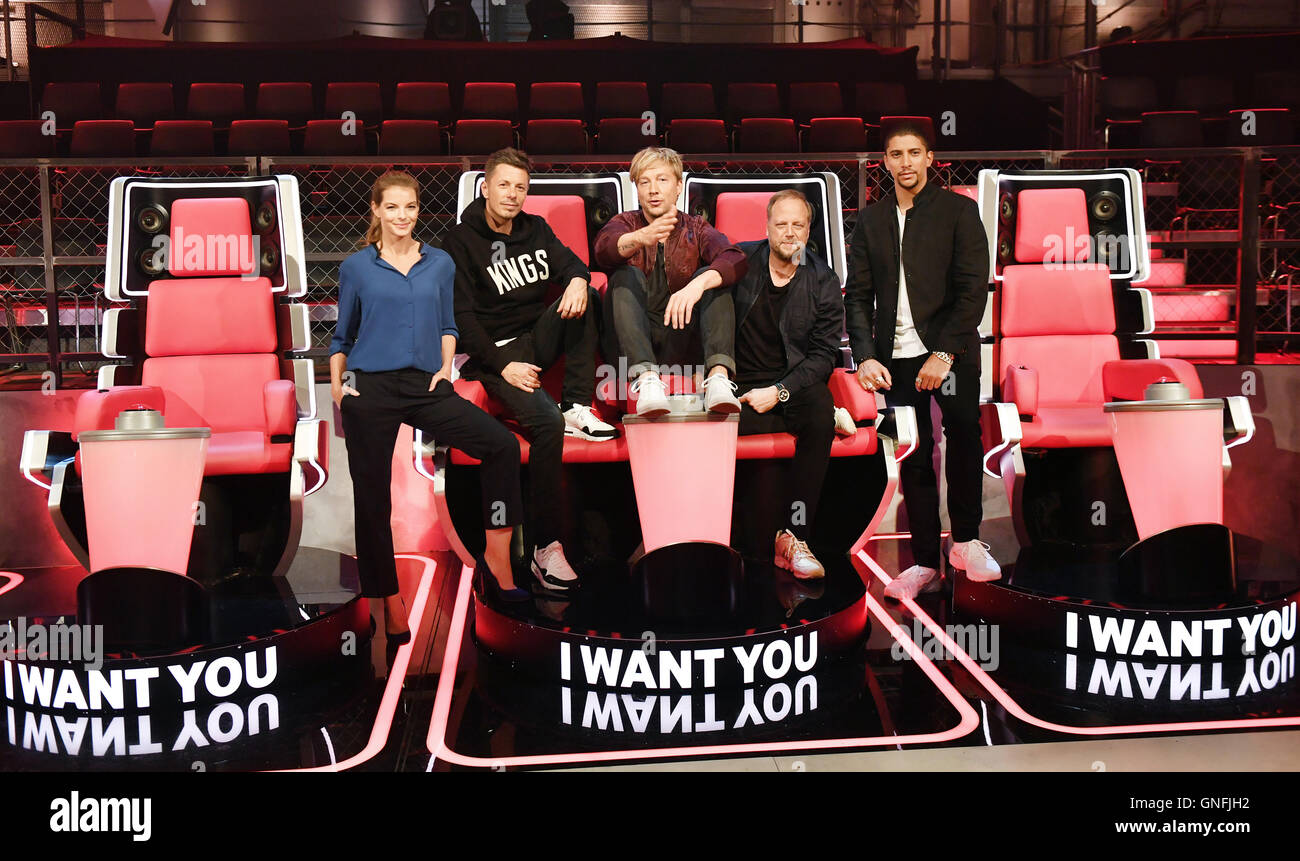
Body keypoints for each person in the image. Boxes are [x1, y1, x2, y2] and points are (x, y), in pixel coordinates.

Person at [331, 171, 530, 644]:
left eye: (411, 208)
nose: (403, 216)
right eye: (393, 208)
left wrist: (445, 366)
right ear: (376, 211)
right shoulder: (357, 267)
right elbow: (342, 336)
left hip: (426, 385)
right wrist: (339, 387)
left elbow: (447, 323)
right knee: (373, 499)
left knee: (500, 445)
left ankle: (498, 558)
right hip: (370, 388)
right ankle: (389, 600)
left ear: (420, 211)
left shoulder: (439, 263)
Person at [442, 147, 616, 592]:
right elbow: (463, 321)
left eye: (520, 187)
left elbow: (574, 265)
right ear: (486, 187)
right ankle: (546, 549)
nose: (512, 194)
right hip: (493, 356)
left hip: (534, 338)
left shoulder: (535, 228)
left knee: (588, 293)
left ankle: (578, 404)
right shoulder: (460, 242)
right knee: (544, 422)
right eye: (504, 185)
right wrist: (505, 366)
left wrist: (578, 279)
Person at [843, 121, 1001, 600]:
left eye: (914, 153)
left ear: (930, 158)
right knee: (914, 452)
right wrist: (865, 357)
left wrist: (945, 352)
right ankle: (925, 562)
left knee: (964, 437)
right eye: (896, 154)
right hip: (895, 359)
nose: (906, 162)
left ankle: (968, 542)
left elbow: (974, 289)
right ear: (884, 162)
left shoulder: (959, 211)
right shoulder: (870, 220)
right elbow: (858, 297)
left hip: (949, 352)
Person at [733, 190, 844, 579]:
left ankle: (794, 537)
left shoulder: (823, 280)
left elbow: (822, 357)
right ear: (767, 227)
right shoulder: (740, 262)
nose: (789, 232)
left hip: (791, 386)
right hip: (738, 386)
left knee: (817, 412)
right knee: (710, 424)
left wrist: (779, 392)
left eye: (798, 224)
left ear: (809, 229)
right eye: (781, 224)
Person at [594, 146, 746, 417]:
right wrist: (641, 237)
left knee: (712, 278)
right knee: (624, 274)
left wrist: (697, 285)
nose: (653, 189)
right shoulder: (624, 223)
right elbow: (604, 250)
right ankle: (646, 379)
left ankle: (720, 379)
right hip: (629, 347)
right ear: (637, 190)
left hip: (680, 341)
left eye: (662, 180)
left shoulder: (697, 228)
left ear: (678, 187)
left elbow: (735, 259)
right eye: (645, 182)